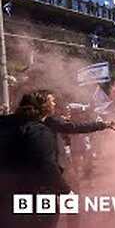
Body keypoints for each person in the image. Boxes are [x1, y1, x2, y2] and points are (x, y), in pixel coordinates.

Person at [0, 90, 70, 228]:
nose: (54, 104)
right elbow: (48, 166)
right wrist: (66, 191)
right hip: (33, 199)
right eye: (52, 101)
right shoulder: (39, 132)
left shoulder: (4, 123)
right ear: (43, 107)